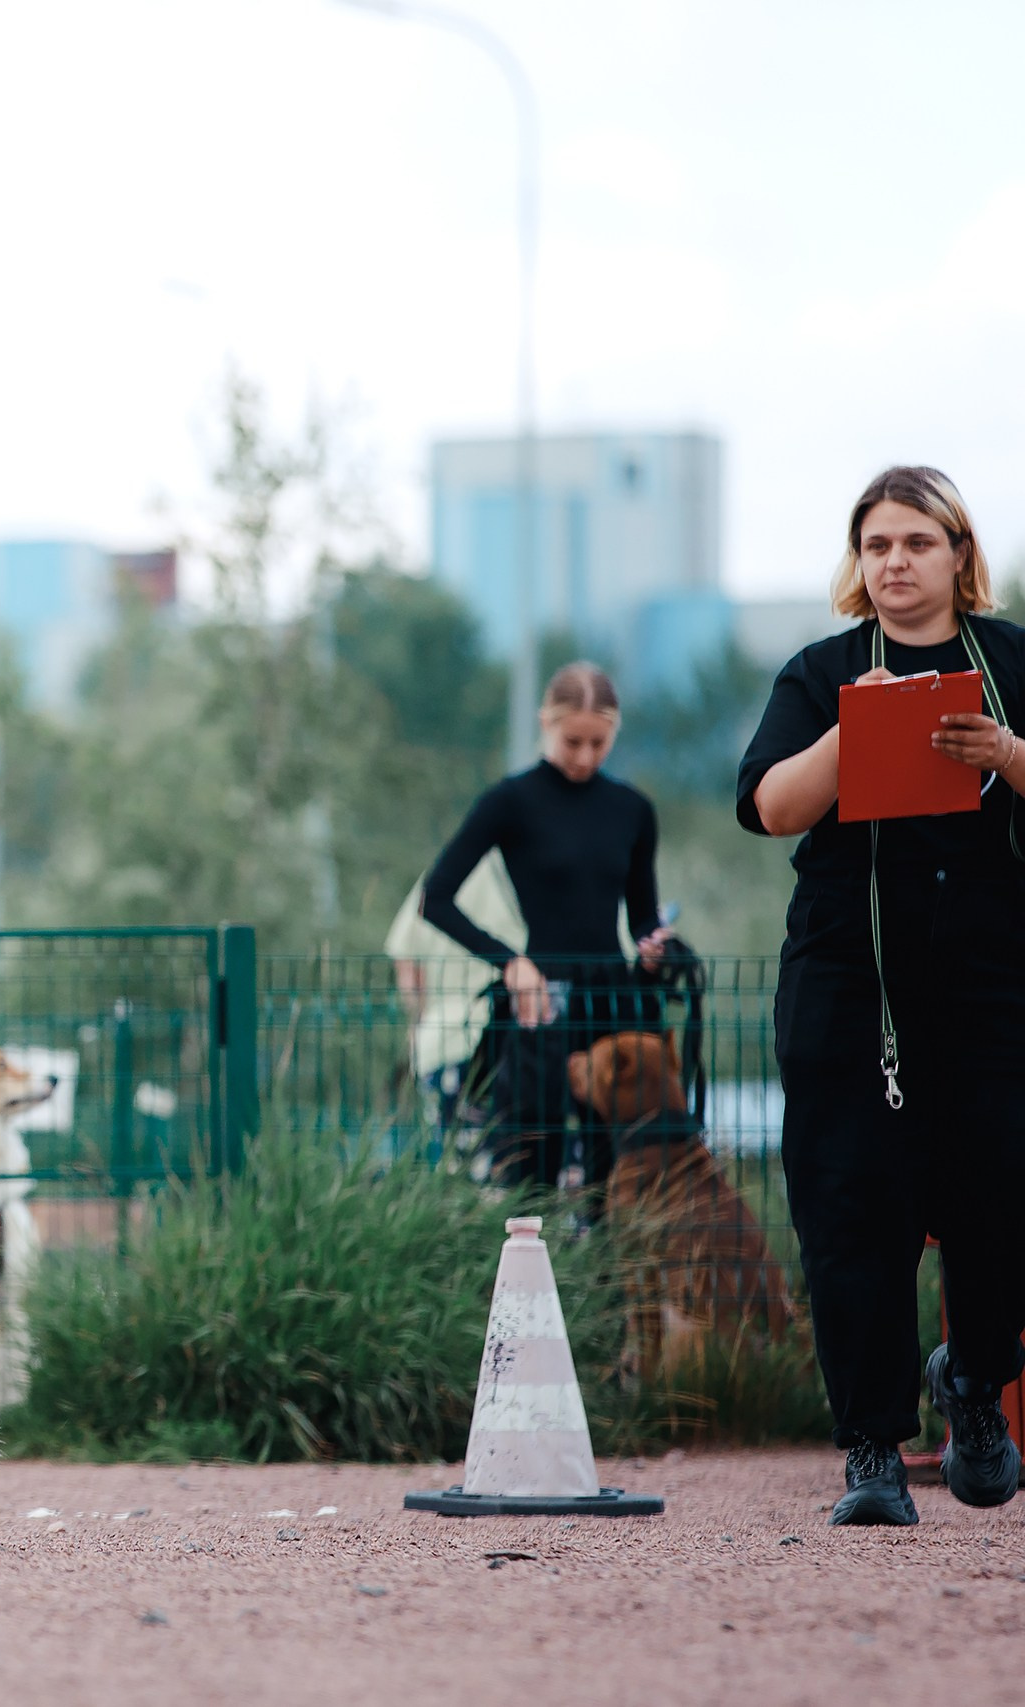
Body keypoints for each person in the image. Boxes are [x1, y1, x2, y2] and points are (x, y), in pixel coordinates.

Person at [739, 464, 1025, 1527]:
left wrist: (1005, 752)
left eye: (916, 542)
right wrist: (851, 735)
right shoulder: (820, 672)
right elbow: (769, 806)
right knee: (851, 1211)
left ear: (958, 553)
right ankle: (870, 1448)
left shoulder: (1010, 662)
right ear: (857, 563)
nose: (895, 562)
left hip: (990, 988)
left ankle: (976, 1384)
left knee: (1001, 1192)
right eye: (876, 546)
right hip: (847, 987)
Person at [420, 663, 671, 1190]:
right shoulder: (510, 802)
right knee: (530, 1170)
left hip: (612, 1004)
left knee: (617, 1170)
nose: (585, 757)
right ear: (545, 723)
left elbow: (642, 914)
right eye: (572, 741)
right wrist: (509, 963)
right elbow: (435, 899)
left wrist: (653, 946)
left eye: (599, 743)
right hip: (539, 1003)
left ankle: (607, 1249)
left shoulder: (632, 810)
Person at [383, 853, 529, 1140]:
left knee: (455, 1153)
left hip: (441, 1039)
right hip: (516, 1038)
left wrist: (420, 1018)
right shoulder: (533, 867)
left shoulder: (441, 875)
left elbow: (406, 961)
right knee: (518, 1154)